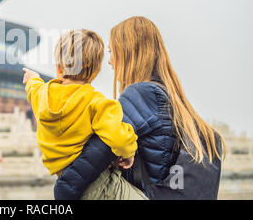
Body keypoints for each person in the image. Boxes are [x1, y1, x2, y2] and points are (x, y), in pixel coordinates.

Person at [55, 16, 225, 200]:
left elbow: (96, 151)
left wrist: (63, 189)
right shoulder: (168, 96)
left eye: (112, 52)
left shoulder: (142, 94)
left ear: (127, 52)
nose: (110, 61)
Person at [23, 29, 147, 200]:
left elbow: (34, 89)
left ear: (58, 67)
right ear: (95, 71)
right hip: (99, 185)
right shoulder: (96, 102)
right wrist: (129, 153)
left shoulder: (43, 97)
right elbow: (118, 138)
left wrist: (32, 78)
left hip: (67, 179)